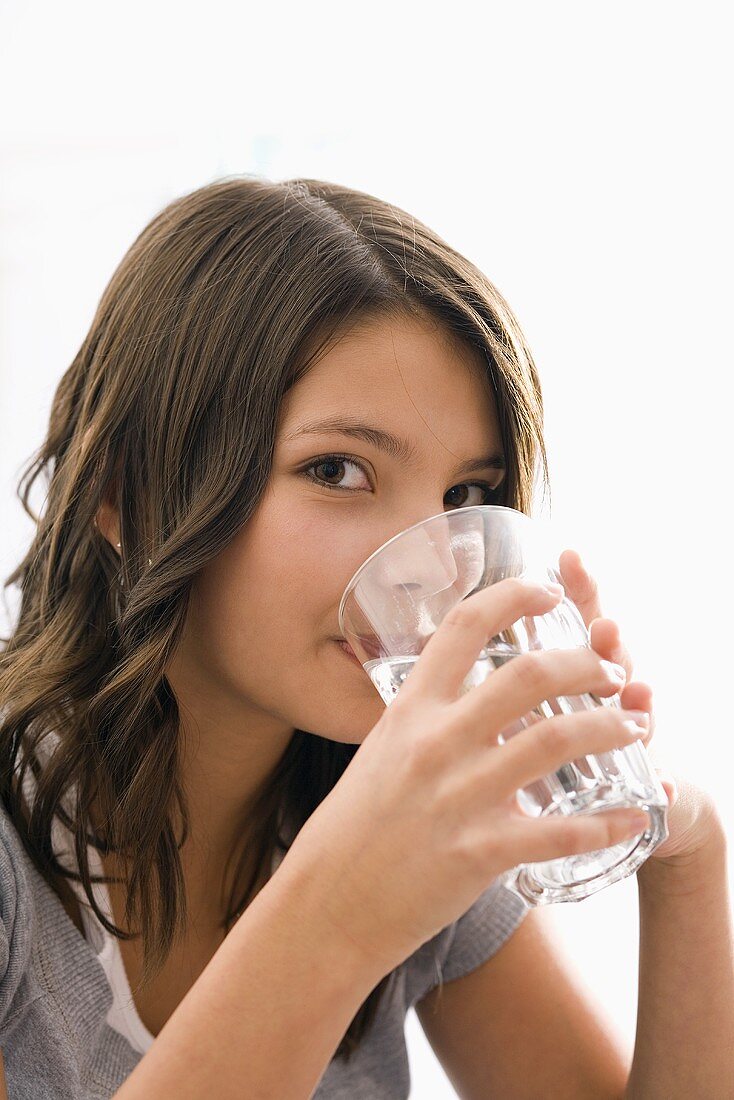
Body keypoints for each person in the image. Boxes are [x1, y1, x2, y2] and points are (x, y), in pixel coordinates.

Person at [0, 176, 729, 1099]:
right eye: (337, 470)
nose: (436, 567)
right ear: (121, 494)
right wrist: (341, 911)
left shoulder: (394, 812)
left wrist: (684, 850)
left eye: (467, 497)